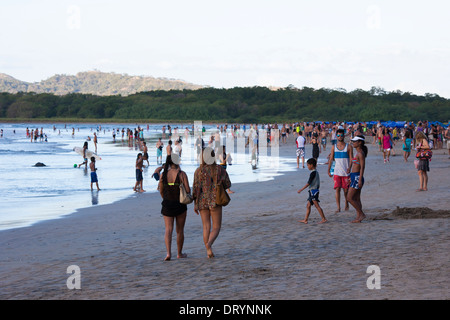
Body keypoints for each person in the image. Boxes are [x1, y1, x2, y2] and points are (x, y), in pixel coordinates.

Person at [193, 147, 231, 258]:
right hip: (215, 200)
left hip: (201, 201)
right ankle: (209, 244)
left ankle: (208, 250)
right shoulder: (219, 169)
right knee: (216, 227)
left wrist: (195, 204)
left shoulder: (198, 171)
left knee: (206, 226)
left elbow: (195, 189)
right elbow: (227, 184)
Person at [158, 154, 190, 261]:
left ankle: (168, 254)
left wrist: (166, 199)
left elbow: (161, 190)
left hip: (167, 204)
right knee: (179, 230)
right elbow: (188, 191)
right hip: (180, 204)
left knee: (168, 230)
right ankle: (179, 253)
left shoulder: (163, 175)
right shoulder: (182, 174)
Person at [327, 129, 352, 213]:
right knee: (337, 189)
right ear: (336, 136)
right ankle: (338, 207)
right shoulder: (334, 147)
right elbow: (331, 159)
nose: (340, 137)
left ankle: (346, 203)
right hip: (336, 172)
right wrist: (329, 170)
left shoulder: (348, 147)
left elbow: (351, 159)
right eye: (338, 135)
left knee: (346, 191)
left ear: (344, 136)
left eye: (341, 135)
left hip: (346, 172)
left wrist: (350, 167)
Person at [297, 158, 327, 224]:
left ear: (311, 165)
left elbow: (308, 183)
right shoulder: (315, 172)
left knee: (316, 205)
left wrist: (301, 189)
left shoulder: (313, 173)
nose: (307, 166)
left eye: (308, 165)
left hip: (314, 191)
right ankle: (305, 219)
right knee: (308, 205)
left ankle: (323, 219)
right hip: (312, 191)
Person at [347, 136, 367, 223]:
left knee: (349, 198)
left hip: (357, 177)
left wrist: (359, 180)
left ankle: (361, 214)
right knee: (357, 198)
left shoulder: (360, 154)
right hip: (354, 176)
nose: (353, 143)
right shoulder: (358, 153)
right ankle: (358, 217)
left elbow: (362, 167)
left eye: (355, 142)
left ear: (360, 143)